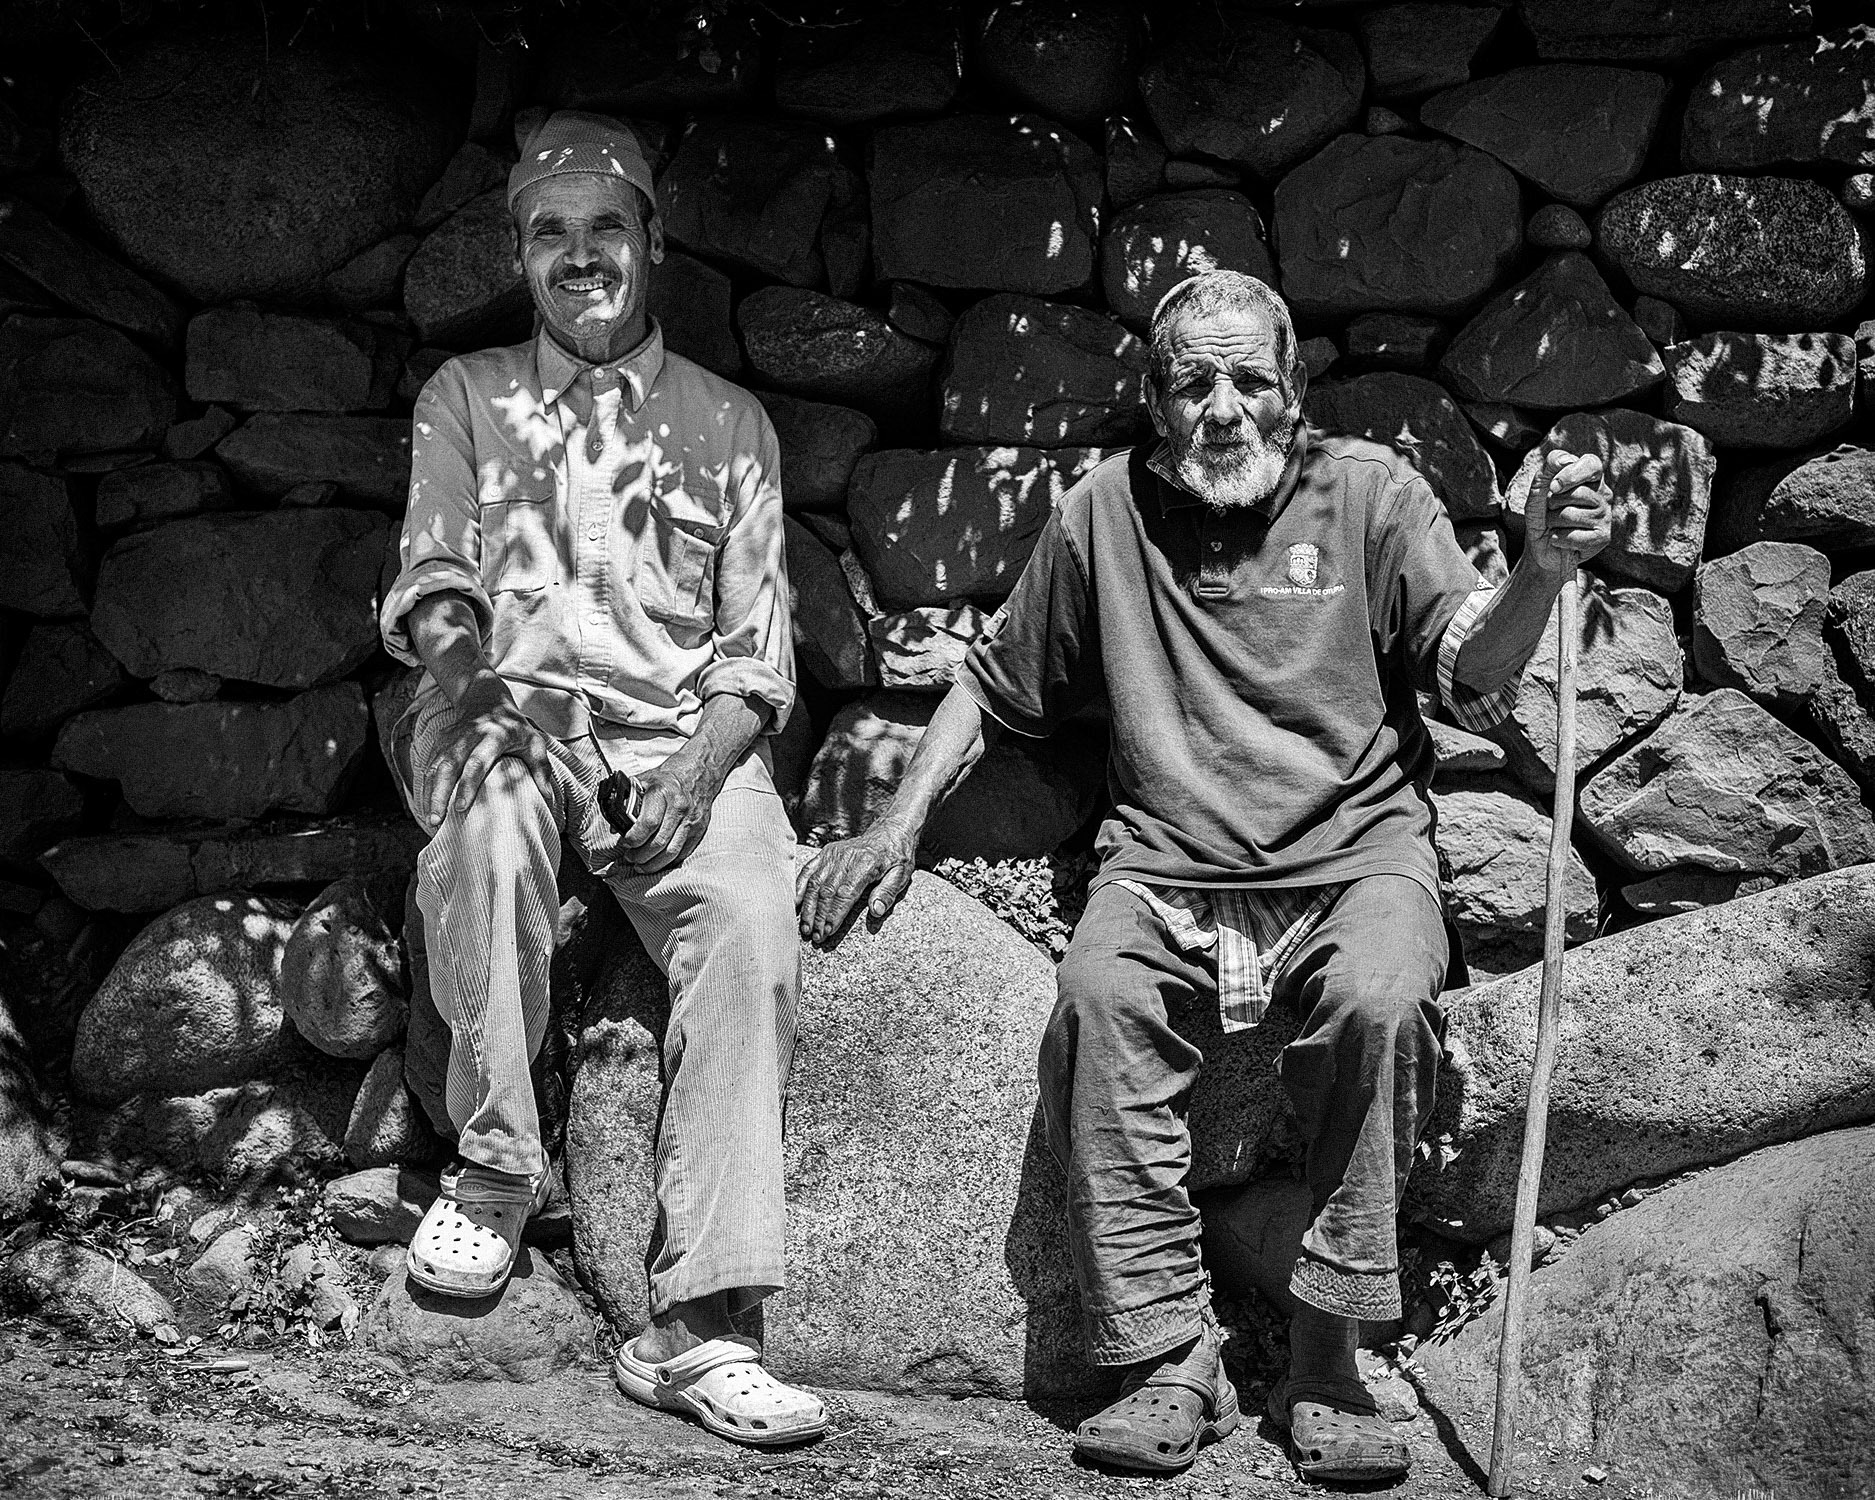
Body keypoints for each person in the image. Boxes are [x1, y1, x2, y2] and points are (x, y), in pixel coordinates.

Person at [797, 271, 1611, 1483]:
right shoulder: (1103, 513)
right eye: (1193, 383)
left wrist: (1539, 573)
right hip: (1165, 866)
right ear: (1155, 398)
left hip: (1355, 858)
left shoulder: (1375, 497)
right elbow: (995, 685)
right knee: (1098, 1004)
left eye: (1249, 380)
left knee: (1381, 1002)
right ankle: (1172, 1356)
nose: (1223, 409)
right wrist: (893, 827)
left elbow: (1470, 670)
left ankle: (1329, 1358)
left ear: (1294, 390)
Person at [379, 110, 827, 1448]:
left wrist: (696, 774)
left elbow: (754, 659)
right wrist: (489, 710)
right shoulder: (465, 398)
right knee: (486, 825)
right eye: (550, 233)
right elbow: (436, 587)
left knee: (750, 916)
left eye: (605, 226)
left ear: (652, 240)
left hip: (668, 739)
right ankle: (497, 1168)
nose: (580, 255)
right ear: (520, 255)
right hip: (497, 708)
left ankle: (699, 1324)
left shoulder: (729, 424)